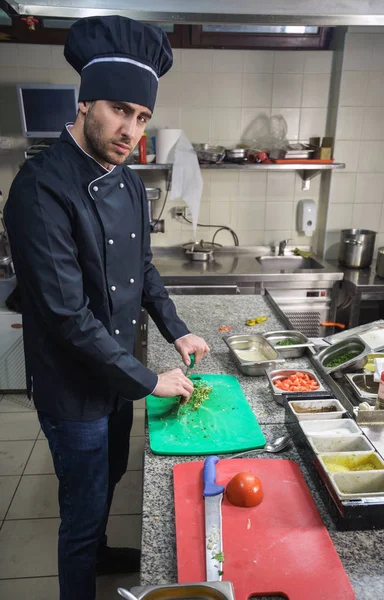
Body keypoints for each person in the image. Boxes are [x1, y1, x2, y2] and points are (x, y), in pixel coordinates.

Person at [4, 15, 209, 600]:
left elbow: (142, 268)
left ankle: (98, 554)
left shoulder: (125, 180)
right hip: (73, 387)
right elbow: (67, 315)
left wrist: (177, 331)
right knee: (82, 505)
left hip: (116, 371)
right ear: (86, 100)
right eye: (121, 110)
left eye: (142, 118)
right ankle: (81, 570)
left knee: (111, 475)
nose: (131, 131)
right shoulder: (40, 188)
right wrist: (148, 379)